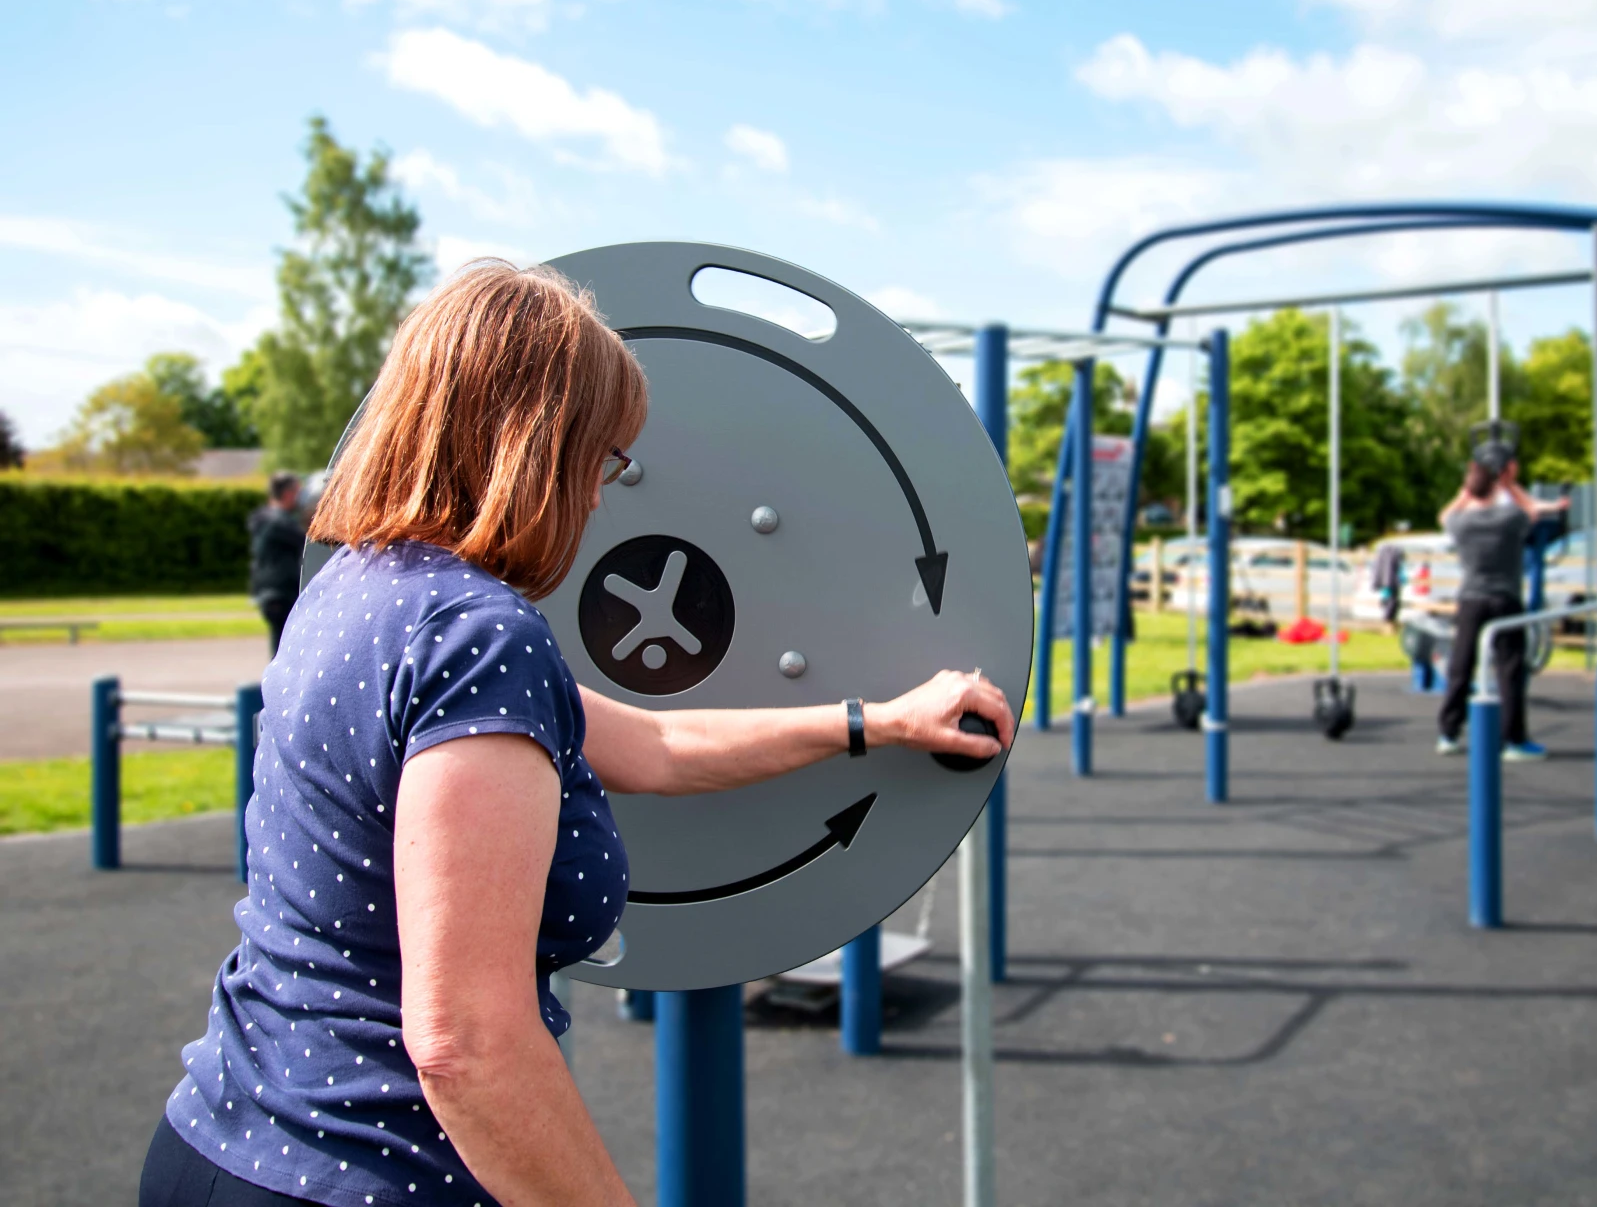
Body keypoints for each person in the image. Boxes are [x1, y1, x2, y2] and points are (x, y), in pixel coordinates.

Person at [140, 263, 1016, 1207]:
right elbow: (465, 1042)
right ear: (534, 446)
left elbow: (653, 746)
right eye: (601, 459)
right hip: (369, 1174)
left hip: (220, 1134)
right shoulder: (477, 636)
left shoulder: (355, 590)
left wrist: (874, 721)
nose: (601, 499)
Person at [1435, 449, 1566, 760]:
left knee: (1460, 668)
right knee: (1510, 671)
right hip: (1505, 600)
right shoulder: (1510, 519)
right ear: (1497, 486)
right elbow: (1531, 510)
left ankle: (1448, 733)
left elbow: (1444, 515)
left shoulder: (1461, 523)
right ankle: (1514, 739)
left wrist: (1465, 493)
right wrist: (1509, 483)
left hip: (1471, 599)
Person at [247, 472, 306, 655]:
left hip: (271, 592)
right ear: (288, 494)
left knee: (281, 646)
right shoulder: (279, 522)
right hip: (281, 593)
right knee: (284, 650)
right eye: (298, 492)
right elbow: (307, 542)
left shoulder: (266, 518)